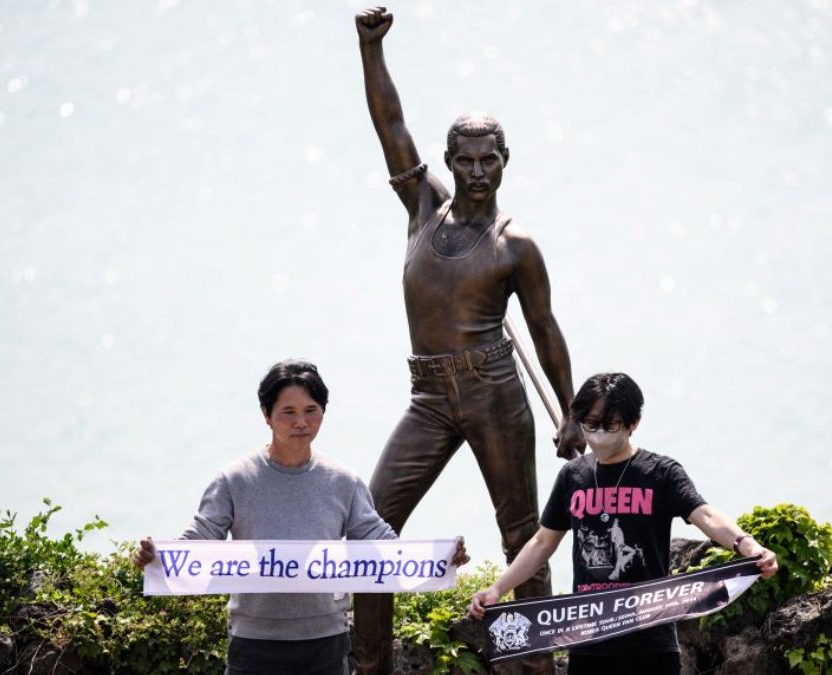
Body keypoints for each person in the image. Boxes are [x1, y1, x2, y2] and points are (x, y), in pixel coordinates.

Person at [352, 7, 584, 674]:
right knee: (371, 527)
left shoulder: (517, 246)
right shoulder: (423, 207)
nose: (478, 170)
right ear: (449, 161)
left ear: (505, 162)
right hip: (428, 393)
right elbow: (389, 125)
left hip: (493, 392)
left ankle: (534, 667)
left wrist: (569, 412)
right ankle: (368, 665)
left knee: (522, 536)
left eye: (489, 160)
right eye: (466, 160)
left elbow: (544, 328)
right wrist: (371, 51)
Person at [131, 359, 469, 675]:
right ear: (266, 414)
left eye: (311, 411)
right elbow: (199, 540)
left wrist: (438, 560)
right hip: (253, 642)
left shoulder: (343, 482)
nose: (301, 423)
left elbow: (381, 544)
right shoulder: (234, 479)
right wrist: (157, 557)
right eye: (288, 412)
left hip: (325, 642)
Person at [469, 373, 779, 675]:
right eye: (590, 425)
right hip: (589, 640)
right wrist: (498, 588)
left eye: (610, 425)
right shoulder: (573, 476)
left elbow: (705, 515)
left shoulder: (660, 472)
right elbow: (542, 543)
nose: (599, 434)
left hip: (650, 640)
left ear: (633, 424)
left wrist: (748, 546)